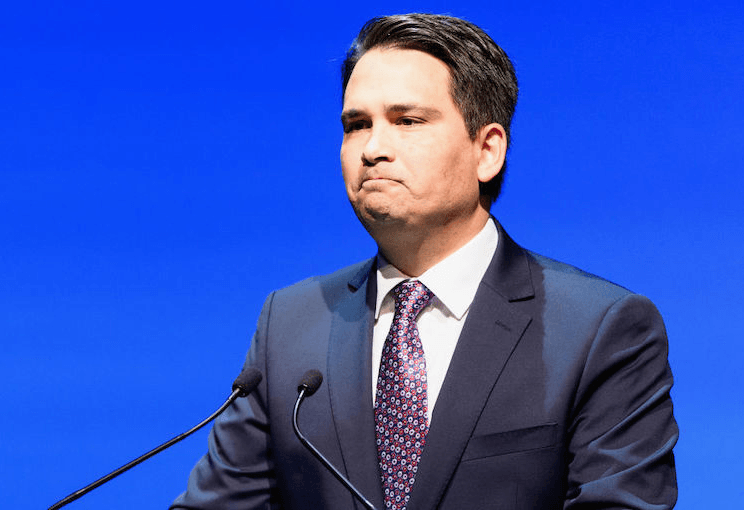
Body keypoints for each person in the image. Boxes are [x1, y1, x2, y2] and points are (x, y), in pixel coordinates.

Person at [171, 13, 678, 510]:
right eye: (356, 125)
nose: (373, 149)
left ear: (487, 151)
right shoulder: (290, 324)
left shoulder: (598, 328)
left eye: (407, 121)